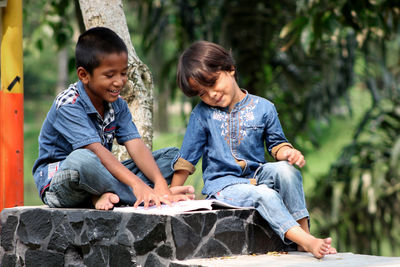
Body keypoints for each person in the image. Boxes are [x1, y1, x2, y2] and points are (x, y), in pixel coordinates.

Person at [173, 40, 337, 259]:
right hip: (224, 185)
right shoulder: (202, 114)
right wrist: (170, 193)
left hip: (257, 175)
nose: (210, 94)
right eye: (202, 93)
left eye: (213, 83)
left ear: (230, 69)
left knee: (287, 172)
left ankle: (303, 236)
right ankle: (308, 241)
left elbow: (277, 145)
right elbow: (187, 159)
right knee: (264, 194)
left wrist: (288, 153)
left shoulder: (264, 108)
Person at [32, 27, 195, 211]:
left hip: (102, 173)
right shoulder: (69, 104)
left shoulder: (117, 104)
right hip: (63, 181)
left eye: (123, 73)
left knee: (170, 157)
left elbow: (136, 144)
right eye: (110, 75)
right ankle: (139, 195)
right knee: (83, 159)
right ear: (84, 75)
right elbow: (97, 154)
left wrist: (160, 183)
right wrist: (137, 185)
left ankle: (112, 195)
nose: (119, 82)